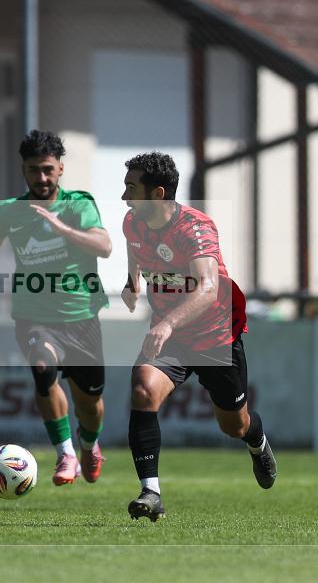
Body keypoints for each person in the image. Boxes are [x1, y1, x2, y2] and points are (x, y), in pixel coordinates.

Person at [120, 151, 276, 522]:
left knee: (233, 425)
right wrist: (132, 281)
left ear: (157, 194)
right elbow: (135, 249)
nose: (125, 197)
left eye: (131, 188)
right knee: (143, 388)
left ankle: (257, 441)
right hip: (171, 338)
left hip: (214, 336)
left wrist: (167, 323)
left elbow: (207, 289)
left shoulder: (195, 227)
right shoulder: (133, 222)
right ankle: (151, 492)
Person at [0, 130, 112, 486]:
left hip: (81, 315)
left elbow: (104, 247)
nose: (40, 178)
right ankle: (66, 453)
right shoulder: (9, 211)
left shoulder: (78, 205)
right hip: (33, 314)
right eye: (32, 170)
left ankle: (89, 444)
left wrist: (62, 228)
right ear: (22, 170)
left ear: (59, 168)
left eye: (46, 170)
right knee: (42, 368)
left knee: (89, 404)